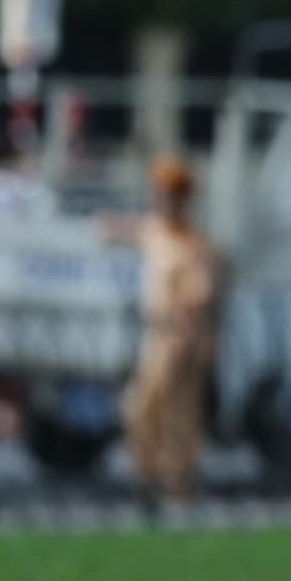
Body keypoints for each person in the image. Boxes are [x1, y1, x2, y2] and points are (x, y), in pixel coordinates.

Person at [107, 156, 219, 503]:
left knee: (178, 415)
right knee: (141, 408)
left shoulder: (193, 244)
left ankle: (178, 484)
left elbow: (197, 298)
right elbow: (125, 229)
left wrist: (183, 340)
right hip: (156, 334)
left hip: (179, 336)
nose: (162, 201)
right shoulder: (157, 232)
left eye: (169, 195)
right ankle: (148, 475)